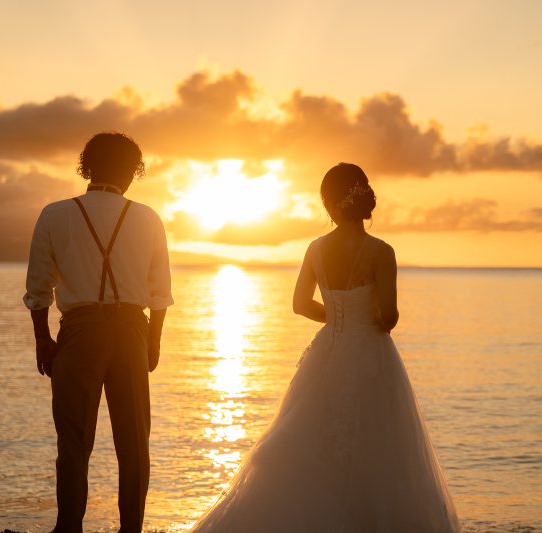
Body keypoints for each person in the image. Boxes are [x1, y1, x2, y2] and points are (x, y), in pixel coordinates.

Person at [189, 163, 460, 532]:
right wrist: (364, 318)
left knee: (315, 437)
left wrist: (337, 318)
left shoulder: (316, 249)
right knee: (378, 447)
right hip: (370, 355)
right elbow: (390, 318)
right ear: (363, 197)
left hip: (327, 351)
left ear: (329, 202)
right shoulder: (381, 251)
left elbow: (300, 304)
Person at [23, 132, 174, 533]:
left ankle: (69, 527)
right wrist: (153, 339)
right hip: (132, 331)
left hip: (81, 330)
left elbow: (38, 288)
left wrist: (42, 338)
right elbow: (160, 293)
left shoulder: (55, 214)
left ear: (87, 167)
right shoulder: (148, 218)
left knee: (74, 440)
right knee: (134, 443)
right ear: (132, 171)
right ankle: (131, 531)